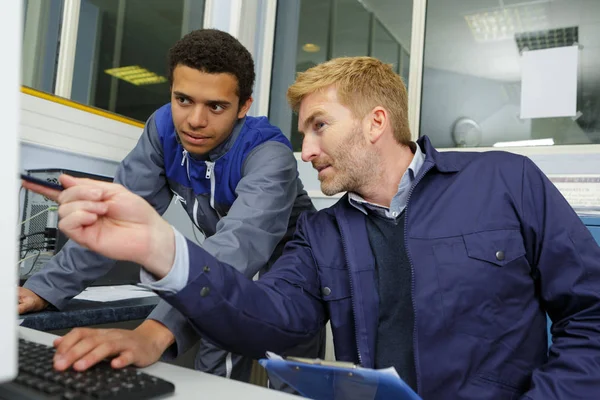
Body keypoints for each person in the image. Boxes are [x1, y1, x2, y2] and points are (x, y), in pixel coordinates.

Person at [24, 56, 600, 399]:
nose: (307, 149)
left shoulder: (507, 181)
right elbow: (264, 317)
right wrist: (163, 250)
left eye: (320, 127)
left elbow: (591, 315)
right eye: (304, 133)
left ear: (377, 122)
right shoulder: (321, 235)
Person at [18, 28, 325, 385]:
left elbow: (238, 245)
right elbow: (115, 221)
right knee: (214, 355)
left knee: (292, 377)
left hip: (291, 270)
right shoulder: (163, 130)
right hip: (222, 263)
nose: (195, 120)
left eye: (216, 106)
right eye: (183, 100)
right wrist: (44, 288)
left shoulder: (269, 155)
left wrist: (154, 332)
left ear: (244, 106)